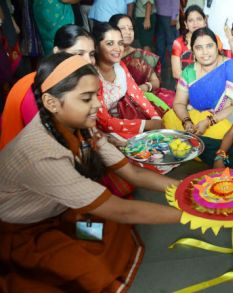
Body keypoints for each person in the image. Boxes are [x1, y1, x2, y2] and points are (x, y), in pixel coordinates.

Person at [0, 53, 182, 292]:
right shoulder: (43, 155)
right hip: (25, 229)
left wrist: (186, 191)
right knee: (92, 272)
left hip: (59, 209)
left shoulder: (81, 127)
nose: (98, 105)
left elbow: (134, 175)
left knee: (109, 231)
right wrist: (191, 215)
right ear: (52, 103)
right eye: (87, 98)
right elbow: (123, 211)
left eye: (95, 96)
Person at [0, 24, 96, 149]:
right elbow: (47, 144)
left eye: (92, 54)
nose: (88, 61)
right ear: (57, 52)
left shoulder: (76, 82)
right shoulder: (31, 89)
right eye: (79, 54)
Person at [163, 27, 233, 143]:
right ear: (193, 51)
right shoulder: (189, 72)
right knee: (169, 118)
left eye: (209, 46)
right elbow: (179, 102)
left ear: (217, 47)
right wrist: (187, 122)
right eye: (199, 48)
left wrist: (209, 122)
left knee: (231, 135)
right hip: (198, 118)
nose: (205, 52)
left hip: (226, 120)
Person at [92, 22, 162, 142]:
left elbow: (137, 94)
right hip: (99, 128)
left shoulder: (119, 67)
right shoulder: (92, 76)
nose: (118, 48)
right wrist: (147, 125)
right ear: (96, 47)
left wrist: (155, 117)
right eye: (110, 43)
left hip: (121, 118)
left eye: (120, 43)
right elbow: (104, 122)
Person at [109, 14, 175, 109]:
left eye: (131, 28)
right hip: (117, 104)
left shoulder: (142, 55)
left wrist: (146, 87)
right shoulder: (107, 57)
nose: (128, 32)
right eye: (123, 28)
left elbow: (156, 82)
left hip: (144, 98)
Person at [171, 5, 223, 80]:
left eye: (199, 19)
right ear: (186, 24)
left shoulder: (215, 39)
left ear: (205, 21)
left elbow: (220, 65)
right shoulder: (178, 43)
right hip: (187, 87)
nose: (195, 23)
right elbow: (176, 73)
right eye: (191, 20)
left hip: (212, 82)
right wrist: (200, 82)